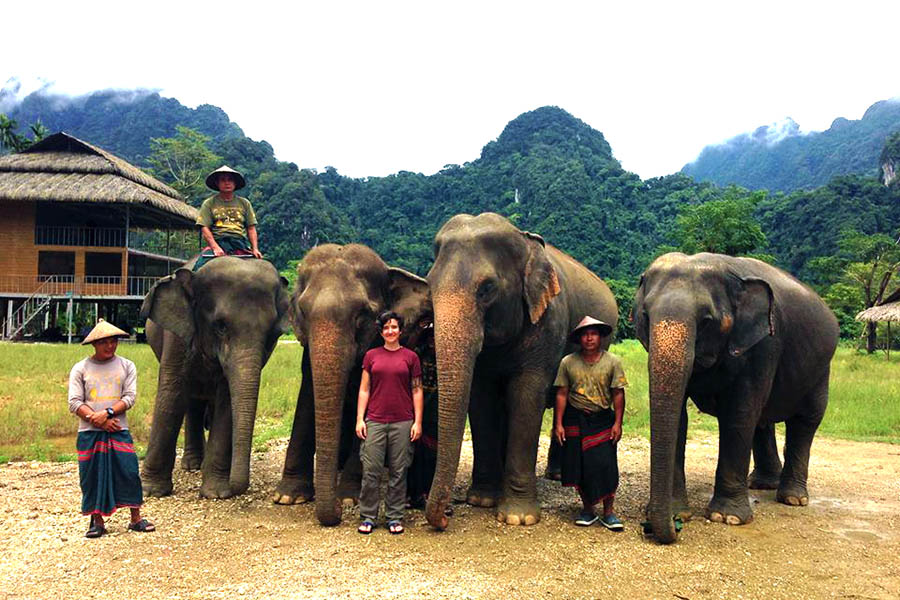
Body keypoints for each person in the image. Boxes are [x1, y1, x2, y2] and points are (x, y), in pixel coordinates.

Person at [68, 319, 155, 538]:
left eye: (114, 341)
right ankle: (97, 522)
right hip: (89, 432)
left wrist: (106, 414)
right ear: (94, 344)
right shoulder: (81, 368)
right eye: (105, 342)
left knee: (128, 471)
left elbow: (130, 397)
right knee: (91, 476)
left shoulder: (127, 365)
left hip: (118, 428)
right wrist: (96, 420)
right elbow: (75, 402)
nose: (110, 346)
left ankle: (135, 518)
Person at [553, 316, 627, 531]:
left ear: (600, 337)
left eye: (593, 334)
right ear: (579, 338)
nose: (589, 338)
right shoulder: (568, 362)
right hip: (575, 417)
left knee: (606, 464)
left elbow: (618, 394)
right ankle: (587, 509)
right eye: (585, 334)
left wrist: (618, 423)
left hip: (602, 418)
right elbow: (561, 394)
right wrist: (558, 424)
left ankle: (609, 512)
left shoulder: (612, 362)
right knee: (580, 465)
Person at [356, 311, 423, 535]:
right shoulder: (371, 356)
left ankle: (394, 517)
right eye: (386, 328)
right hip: (374, 420)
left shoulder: (410, 357)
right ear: (381, 331)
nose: (390, 331)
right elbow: (364, 389)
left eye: (394, 327)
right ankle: (368, 516)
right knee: (371, 470)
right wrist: (360, 419)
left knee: (399, 471)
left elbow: (417, 390)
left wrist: (417, 422)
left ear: (400, 331)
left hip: (403, 421)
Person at [193, 165, 263, 271]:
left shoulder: (245, 203)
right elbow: (204, 227)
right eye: (223, 180)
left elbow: (251, 228)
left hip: (240, 243)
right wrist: (215, 247)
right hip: (219, 241)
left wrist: (255, 248)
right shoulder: (209, 203)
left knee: (262, 272)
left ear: (235, 183)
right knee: (197, 269)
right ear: (217, 183)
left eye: (230, 180)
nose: (227, 183)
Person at [405, 318, 438, 510]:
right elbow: (409, 347)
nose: (433, 342)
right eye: (430, 338)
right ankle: (412, 494)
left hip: (436, 414)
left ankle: (428, 494)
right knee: (413, 456)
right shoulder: (418, 355)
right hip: (416, 411)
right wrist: (419, 328)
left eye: (436, 337)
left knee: (432, 457)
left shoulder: (447, 358)